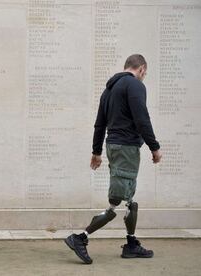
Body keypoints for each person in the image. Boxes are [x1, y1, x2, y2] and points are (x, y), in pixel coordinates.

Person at [65, 54, 162, 264]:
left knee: (129, 198)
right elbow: (142, 118)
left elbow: (99, 124)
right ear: (142, 69)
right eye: (145, 73)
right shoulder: (135, 85)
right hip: (126, 147)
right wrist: (154, 147)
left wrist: (96, 151)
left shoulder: (109, 89)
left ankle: (131, 244)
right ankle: (80, 238)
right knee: (117, 200)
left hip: (115, 145)